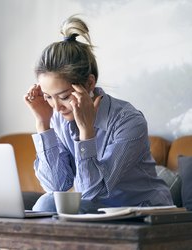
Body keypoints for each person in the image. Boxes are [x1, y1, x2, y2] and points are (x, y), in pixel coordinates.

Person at [24, 16, 173, 213]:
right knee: (46, 203)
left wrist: (86, 132)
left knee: (50, 205)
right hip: (97, 210)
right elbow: (56, 186)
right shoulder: (60, 119)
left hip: (142, 212)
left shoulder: (129, 121)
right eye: (48, 98)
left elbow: (92, 191)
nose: (57, 107)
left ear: (89, 83)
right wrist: (43, 124)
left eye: (64, 96)